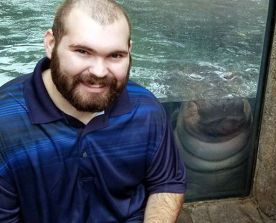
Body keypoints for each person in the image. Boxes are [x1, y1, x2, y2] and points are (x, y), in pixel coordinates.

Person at [0, 0, 186, 222]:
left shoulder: (146, 109)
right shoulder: (6, 120)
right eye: (82, 51)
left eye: (115, 55)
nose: (99, 72)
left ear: (129, 51)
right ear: (51, 43)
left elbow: (166, 183)